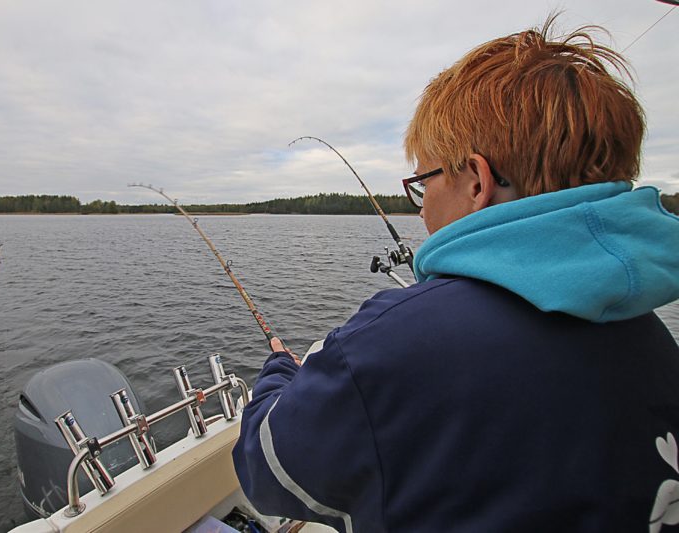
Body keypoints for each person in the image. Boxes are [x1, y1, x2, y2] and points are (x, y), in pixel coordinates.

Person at [232, 15, 679, 533]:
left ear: (475, 181)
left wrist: (280, 374)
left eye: (423, 180)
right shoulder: (646, 331)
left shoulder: (393, 343)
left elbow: (267, 472)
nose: (421, 210)